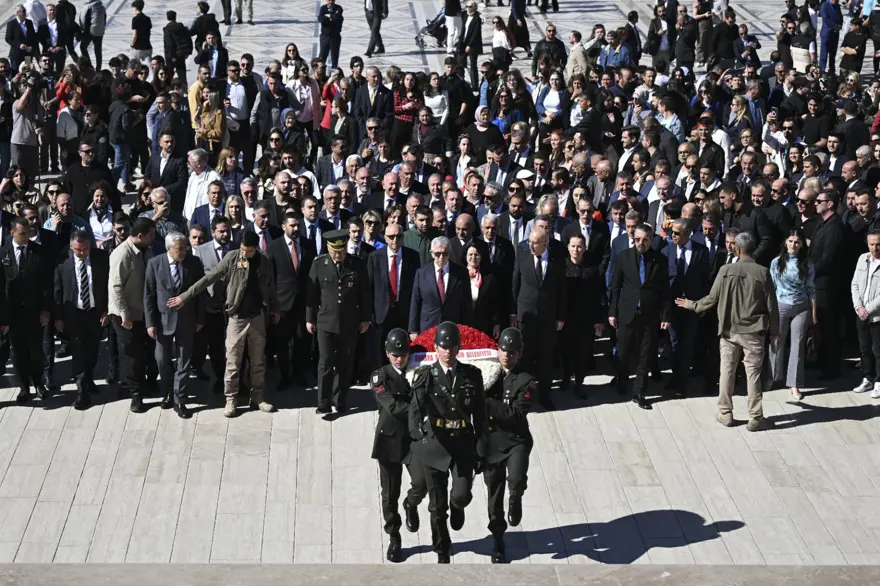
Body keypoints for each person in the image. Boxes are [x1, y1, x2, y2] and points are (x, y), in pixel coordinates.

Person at [168, 229, 279, 417]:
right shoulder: (232, 257)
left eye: (249, 250)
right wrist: (185, 296)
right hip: (237, 318)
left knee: (258, 362)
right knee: (233, 362)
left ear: (256, 249)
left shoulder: (265, 262)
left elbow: (271, 286)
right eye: (243, 249)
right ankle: (231, 399)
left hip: (257, 318)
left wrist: (275, 307)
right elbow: (209, 277)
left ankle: (258, 397)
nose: (245, 253)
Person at [675, 232, 778, 431]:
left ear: (738, 249)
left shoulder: (725, 270)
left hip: (729, 330)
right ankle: (756, 417)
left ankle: (725, 412)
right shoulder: (763, 272)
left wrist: (692, 305)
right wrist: (775, 332)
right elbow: (771, 306)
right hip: (754, 331)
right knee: (753, 374)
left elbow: (711, 299)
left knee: (727, 371)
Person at [409, 322, 487, 564]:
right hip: (435, 445)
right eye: (443, 347)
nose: (447, 352)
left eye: (452, 347)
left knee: (461, 495)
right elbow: (415, 410)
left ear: (459, 347)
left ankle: (458, 505)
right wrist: (419, 437)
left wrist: (482, 448)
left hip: (462, 445)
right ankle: (442, 549)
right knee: (436, 506)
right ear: (436, 348)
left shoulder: (472, 375)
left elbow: (481, 415)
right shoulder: (426, 376)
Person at [371, 328, 428, 563]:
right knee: (389, 494)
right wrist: (422, 412)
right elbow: (392, 406)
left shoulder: (419, 371)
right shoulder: (380, 376)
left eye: (403, 354)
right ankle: (394, 536)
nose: (399, 358)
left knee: (422, 481)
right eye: (395, 354)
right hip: (390, 439)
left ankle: (411, 503)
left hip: (413, 439)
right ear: (387, 354)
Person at [306, 228, 371, 416]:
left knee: (345, 363)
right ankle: (323, 403)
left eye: (342, 249)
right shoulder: (319, 264)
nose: (339, 253)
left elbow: (364, 293)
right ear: (328, 248)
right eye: (335, 250)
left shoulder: (356, 264)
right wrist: (309, 319)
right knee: (325, 363)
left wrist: (366, 318)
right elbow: (312, 294)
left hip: (349, 322)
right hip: (325, 322)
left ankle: (340, 400)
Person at [482, 326, 533, 564]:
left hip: (515, 440)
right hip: (492, 441)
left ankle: (516, 496)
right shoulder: (487, 374)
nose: (506, 355)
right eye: (503, 349)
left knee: (516, 477)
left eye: (512, 352)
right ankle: (498, 539)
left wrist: (488, 405)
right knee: (494, 492)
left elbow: (517, 416)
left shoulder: (527, 381)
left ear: (519, 354)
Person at [608, 224, 671, 410]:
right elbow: (615, 287)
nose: (641, 243)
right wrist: (612, 312)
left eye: (645, 240)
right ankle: (622, 380)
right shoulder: (623, 257)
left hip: (649, 314)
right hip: (627, 312)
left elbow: (664, 290)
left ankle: (639, 391)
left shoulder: (659, 260)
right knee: (623, 351)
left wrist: (665, 315)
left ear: (651, 240)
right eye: (637, 239)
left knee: (645, 354)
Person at [144, 232, 205, 419]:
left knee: (183, 360)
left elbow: (200, 292)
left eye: (185, 248)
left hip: (186, 320)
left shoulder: (194, 263)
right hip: (163, 322)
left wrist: (200, 319)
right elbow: (148, 295)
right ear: (169, 248)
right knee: (162, 359)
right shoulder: (155, 263)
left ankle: (180, 399)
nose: (183, 252)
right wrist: (150, 323)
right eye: (179, 249)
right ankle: (169, 390)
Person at [53, 230, 109, 410]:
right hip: (74, 314)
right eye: (78, 250)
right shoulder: (62, 262)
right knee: (78, 352)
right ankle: (81, 391)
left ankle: (89, 378)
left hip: (95, 313)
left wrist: (106, 311)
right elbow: (57, 292)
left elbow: (108, 285)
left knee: (93, 350)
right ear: (71, 247)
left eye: (85, 249)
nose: (83, 253)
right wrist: (59, 317)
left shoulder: (101, 258)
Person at [511, 228, 566, 409]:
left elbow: (561, 290)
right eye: (530, 242)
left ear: (546, 243)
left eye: (536, 243)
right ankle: (524, 393)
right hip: (526, 316)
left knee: (546, 356)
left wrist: (560, 316)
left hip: (548, 317)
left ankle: (544, 394)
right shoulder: (523, 256)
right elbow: (515, 285)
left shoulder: (557, 261)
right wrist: (514, 313)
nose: (531, 246)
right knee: (525, 356)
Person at [108, 216, 156, 413]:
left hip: (142, 310)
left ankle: (142, 383)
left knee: (144, 352)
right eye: (151, 235)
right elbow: (116, 287)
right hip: (125, 314)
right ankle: (135, 394)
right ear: (140, 236)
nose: (154, 238)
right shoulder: (122, 254)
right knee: (131, 354)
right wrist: (124, 314)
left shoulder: (146, 250)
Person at [1, 216, 51, 403]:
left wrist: (45, 309)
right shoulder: (3, 253)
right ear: (12, 233)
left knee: (35, 350)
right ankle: (24, 387)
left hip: (33, 310)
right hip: (12, 312)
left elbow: (46, 283)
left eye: (28, 233)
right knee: (18, 351)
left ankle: (39, 383)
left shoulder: (38, 252)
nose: (26, 237)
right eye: (22, 234)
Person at [267, 212, 315, 389]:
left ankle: (299, 374)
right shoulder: (273, 247)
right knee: (282, 342)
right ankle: (284, 376)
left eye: (297, 226)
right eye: (292, 226)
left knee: (301, 341)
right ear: (284, 227)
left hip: (303, 302)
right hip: (282, 303)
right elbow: (270, 278)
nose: (295, 229)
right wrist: (273, 306)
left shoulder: (308, 245)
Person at [769, 229, 816, 401]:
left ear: (802, 244)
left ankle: (794, 383)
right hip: (780, 305)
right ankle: (774, 377)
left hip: (801, 307)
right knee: (777, 341)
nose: (793, 245)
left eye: (796, 242)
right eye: (790, 241)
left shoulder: (808, 263)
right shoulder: (776, 262)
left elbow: (811, 289)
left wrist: (814, 313)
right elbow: (772, 288)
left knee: (798, 346)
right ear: (785, 242)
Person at [560, 232, 605, 398]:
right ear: (568, 247)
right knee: (566, 350)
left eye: (579, 246)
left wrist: (598, 319)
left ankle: (579, 382)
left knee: (582, 352)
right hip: (566, 318)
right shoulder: (562, 267)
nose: (576, 249)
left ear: (585, 248)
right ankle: (566, 378)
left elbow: (597, 295)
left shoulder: (591, 269)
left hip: (585, 319)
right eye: (573, 246)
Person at [367, 222, 419, 365]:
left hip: (403, 311)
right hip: (381, 312)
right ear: (385, 237)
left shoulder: (412, 257)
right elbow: (369, 287)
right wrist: (370, 313)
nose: (394, 240)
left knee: (402, 349)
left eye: (398, 236)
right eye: (391, 237)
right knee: (380, 351)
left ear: (403, 237)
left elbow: (415, 288)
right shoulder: (375, 257)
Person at [409, 235, 473, 334]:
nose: (441, 257)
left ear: (450, 253)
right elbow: (415, 302)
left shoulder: (461, 273)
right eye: (438, 254)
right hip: (428, 327)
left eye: (445, 253)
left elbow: (467, 303)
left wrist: (468, 329)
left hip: (453, 327)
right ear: (432, 253)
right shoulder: (421, 273)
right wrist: (413, 330)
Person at [851, 230, 880, 399]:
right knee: (864, 349)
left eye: (878, 244)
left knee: (878, 350)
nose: (875, 248)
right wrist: (858, 307)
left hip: (876, 315)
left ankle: (878, 381)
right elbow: (854, 283)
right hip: (861, 313)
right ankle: (867, 378)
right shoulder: (863, 258)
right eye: (872, 244)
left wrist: (868, 310)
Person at [78, 0, 107, 69]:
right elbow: (105, 18)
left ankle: (89, 65)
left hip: (90, 32)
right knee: (98, 50)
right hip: (100, 32)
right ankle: (98, 68)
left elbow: (83, 19)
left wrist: (83, 30)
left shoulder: (88, 6)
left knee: (83, 47)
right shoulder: (102, 7)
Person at [318, 0, 344, 70]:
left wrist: (328, 18)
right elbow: (321, 19)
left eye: (332, 0)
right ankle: (321, 71)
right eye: (328, 0)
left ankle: (334, 72)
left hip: (335, 37)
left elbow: (336, 18)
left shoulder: (338, 8)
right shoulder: (323, 8)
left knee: (334, 57)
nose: (330, 2)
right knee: (322, 56)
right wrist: (330, 19)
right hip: (325, 37)